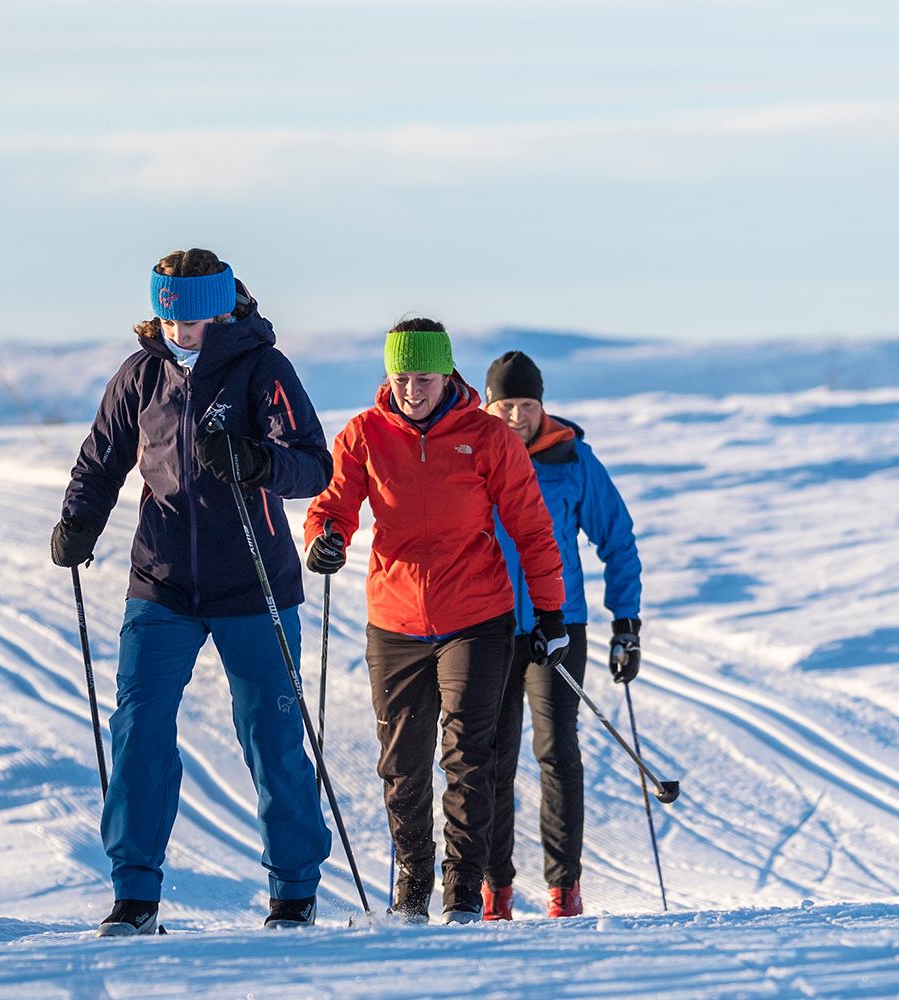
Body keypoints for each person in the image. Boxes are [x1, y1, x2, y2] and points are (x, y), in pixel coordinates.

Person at [50, 248, 334, 936]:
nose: (182, 332)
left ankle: (294, 891)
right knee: (139, 729)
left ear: (223, 306)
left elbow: (313, 466)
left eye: (196, 318)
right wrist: (79, 521)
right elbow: (102, 457)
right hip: (162, 582)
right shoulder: (140, 375)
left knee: (271, 735)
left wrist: (258, 461)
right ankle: (135, 894)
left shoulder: (264, 368)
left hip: (254, 583)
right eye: (171, 319)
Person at [303, 320, 568, 924]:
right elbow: (333, 504)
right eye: (401, 379)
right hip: (394, 621)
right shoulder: (365, 434)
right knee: (401, 762)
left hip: (476, 616)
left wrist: (550, 611)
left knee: (469, 754)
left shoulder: (487, 437)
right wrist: (326, 538)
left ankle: (462, 893)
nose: (411, 392)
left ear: (446, 374)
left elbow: (531, 527)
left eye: (423, 379)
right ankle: (413, 886)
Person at [480, 350, 643, 920]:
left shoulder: (572, 459)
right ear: (489, 404)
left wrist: (627, 623)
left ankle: (563, 888)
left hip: (559, 625)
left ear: (541, 405)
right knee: (491, 757)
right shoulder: (473, 455)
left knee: (557, 754)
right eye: (506, 405)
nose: (517, 417)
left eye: (527, 405)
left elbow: (617, 539)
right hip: (490, 625)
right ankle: (495, 889)